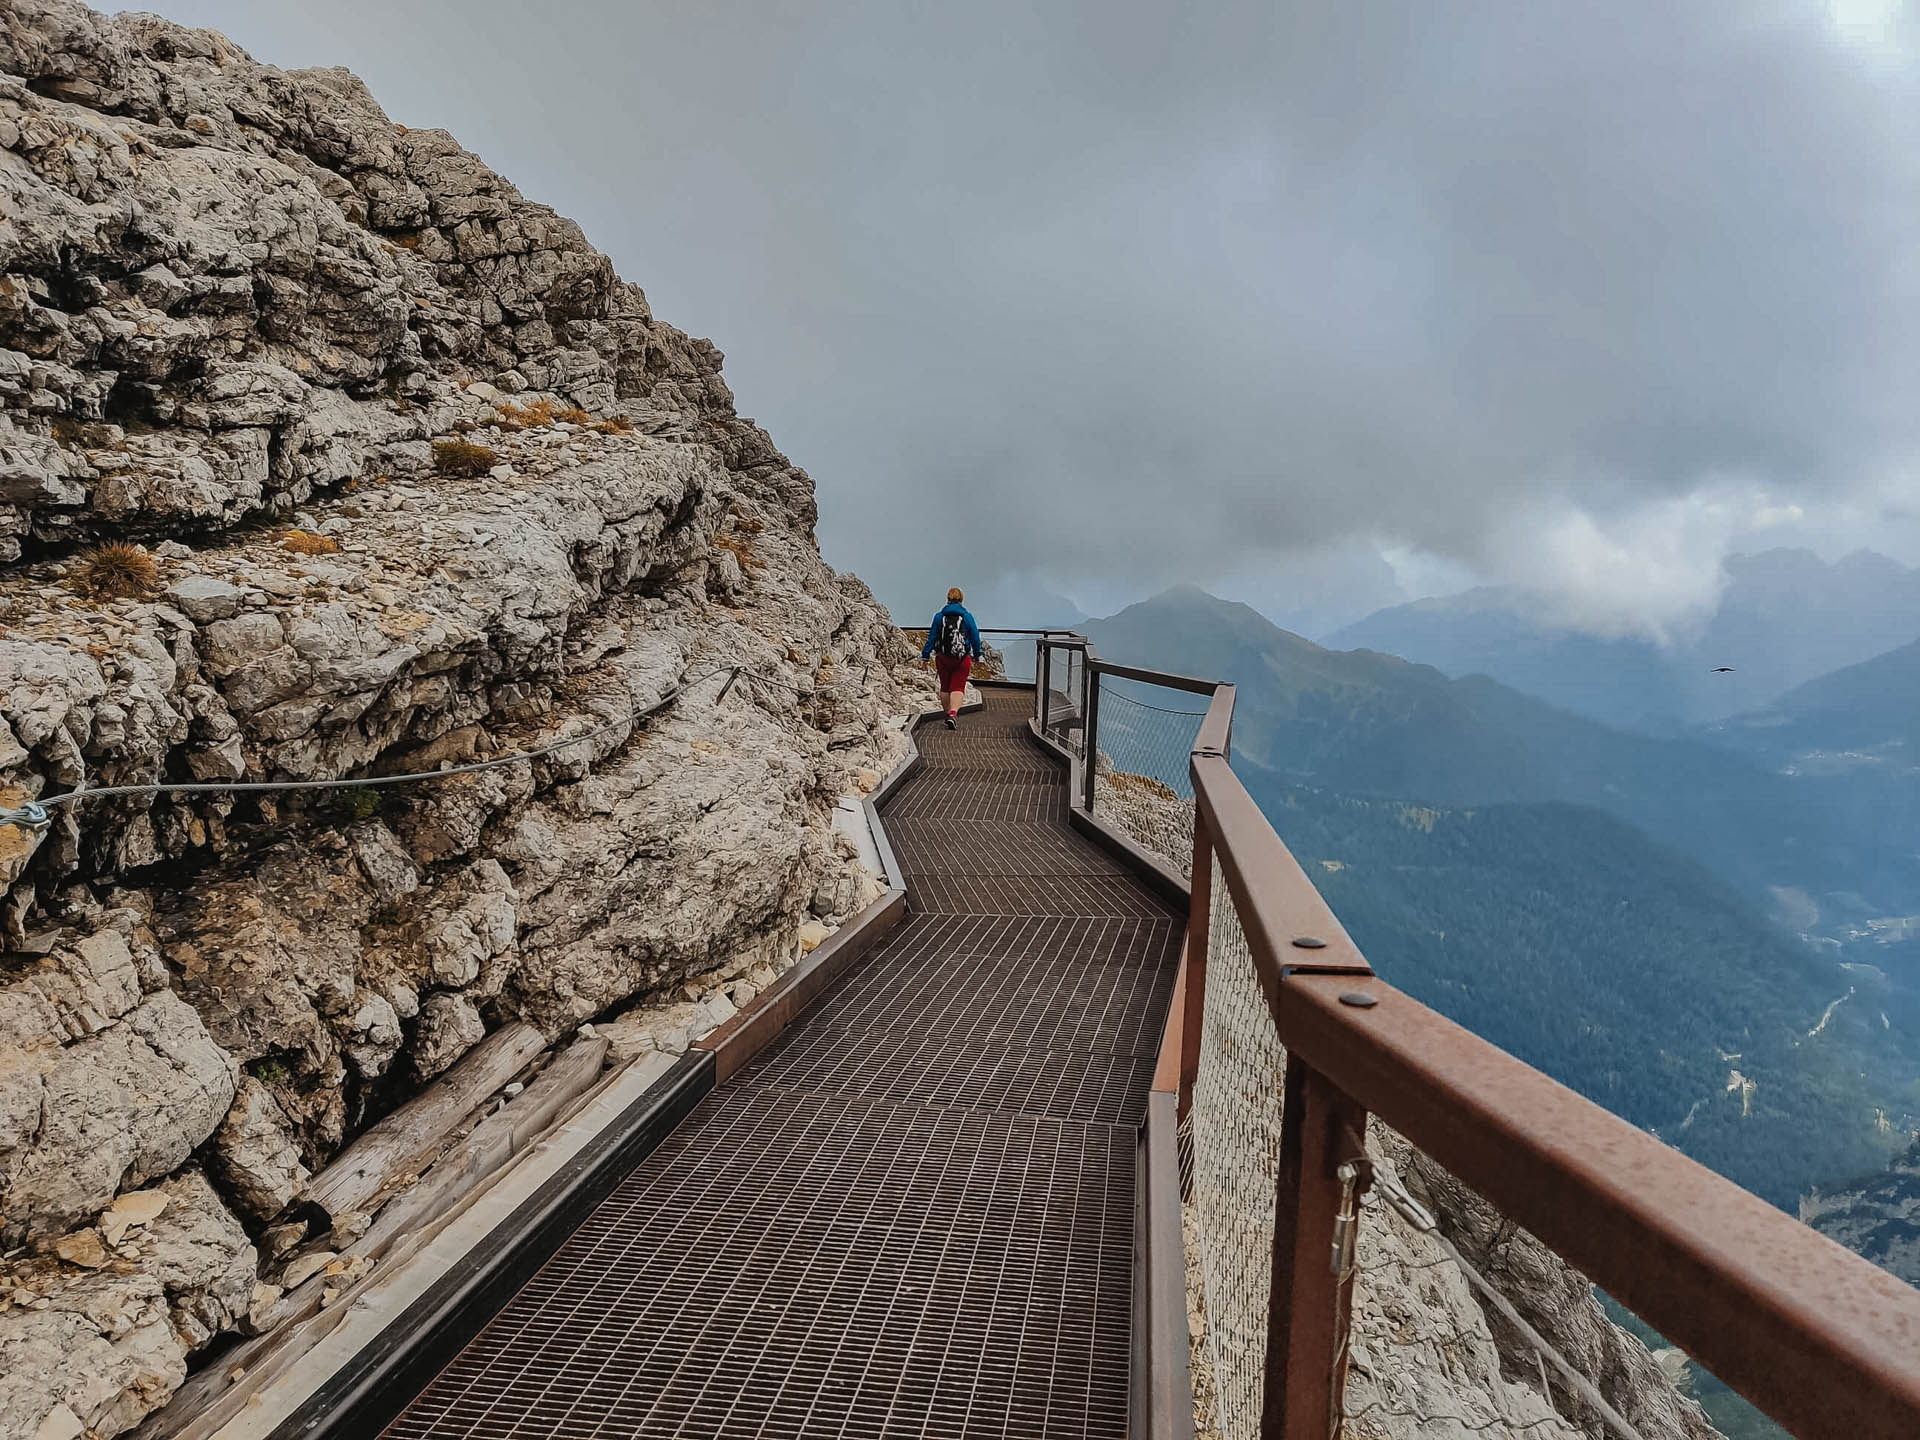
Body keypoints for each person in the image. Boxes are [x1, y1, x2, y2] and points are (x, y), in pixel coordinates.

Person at [920, 586, 983, 728]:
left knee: (945, 687)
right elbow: (974, 636)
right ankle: (953, 714)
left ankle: (947, 713)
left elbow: (932, 637)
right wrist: (978, 654)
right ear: (961, 600)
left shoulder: (939, 616)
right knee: (958, 687)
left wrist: (925, 657)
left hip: (942, 657)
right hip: (961, 658)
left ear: (947, 599)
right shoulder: (967, 616)